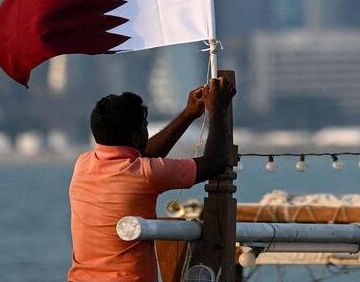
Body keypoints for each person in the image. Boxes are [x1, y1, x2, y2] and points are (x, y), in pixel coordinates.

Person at [68, 74, 236, 282]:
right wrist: (217, 110)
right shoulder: (145, 173)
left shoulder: (82, 164)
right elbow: (215, 163)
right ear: (138, 135)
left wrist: (187, 115)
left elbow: (140, 155)